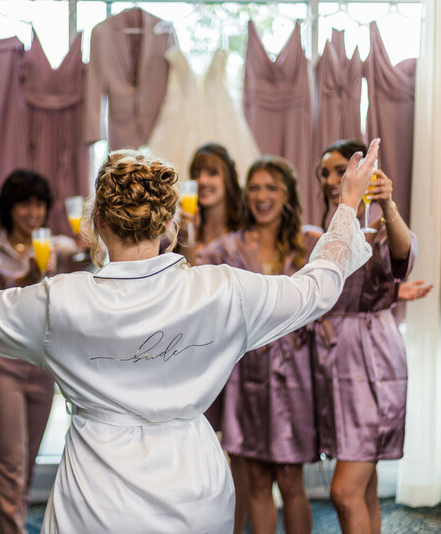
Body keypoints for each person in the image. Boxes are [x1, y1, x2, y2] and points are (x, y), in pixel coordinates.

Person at [0, 142, 379, 533]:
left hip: (96, 501)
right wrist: (347, 206)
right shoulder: (222, 290)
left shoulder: (58, 302)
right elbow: (317, 287)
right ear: (168, 225)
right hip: (195, 491)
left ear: (97, 221)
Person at [198, 156, 319, 534]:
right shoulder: (227, 249)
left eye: (271, 188)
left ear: (287, 195)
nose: (261, 196)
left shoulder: (309, 241)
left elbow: (342, 277)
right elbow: (193, 275)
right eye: (254, 188)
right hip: (245, 376)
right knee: (256, 482)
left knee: (291, 481)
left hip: (294, 376)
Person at [0, 169, 83, 534]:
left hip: (42, 367)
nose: (32, 213)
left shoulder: (58, 248)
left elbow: (89, 256)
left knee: (28, 461)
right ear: (8, 207)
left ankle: (13, 524)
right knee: (12, 462)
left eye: (39, 204)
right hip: (1, 367)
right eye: (24, 204)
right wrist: (28, 278)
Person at [313, 139, 417, 534]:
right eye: (323, 172)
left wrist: (388, 207)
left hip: (371, 364)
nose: (329, 180)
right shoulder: (323, 235)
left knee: (344, 491)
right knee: (365, 486)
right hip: (334, 367)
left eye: (339, 170)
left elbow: (403, 258)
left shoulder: (374, 231)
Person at [178, 143, 250, 533]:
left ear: (227, 178)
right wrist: (183, 231)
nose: (203, 181)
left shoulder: (246, 227)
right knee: (193, 444)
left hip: (237, 352)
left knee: (237, 448)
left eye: (212, 172)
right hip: (191, 350)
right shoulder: (178, 227)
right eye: (198, 173)